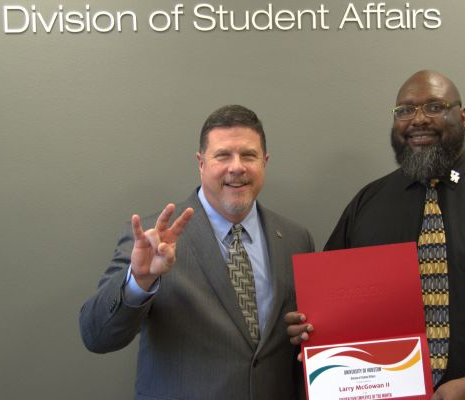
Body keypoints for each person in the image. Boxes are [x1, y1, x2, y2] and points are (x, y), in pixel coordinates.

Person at [285, 71, 465, 400]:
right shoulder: (368, 204)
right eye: (405, 110)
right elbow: (333, 300)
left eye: (435, 107)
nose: (418, 120)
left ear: (462, 117)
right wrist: (310, 325)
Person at [80, 105, 314, 400]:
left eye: (249, 155)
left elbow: (297, 337)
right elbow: (97, 336)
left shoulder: (295, 238)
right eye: (223, 155)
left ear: (265, 162)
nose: (237, 167)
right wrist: (138, 280)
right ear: (201, 163)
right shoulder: (152, 239)